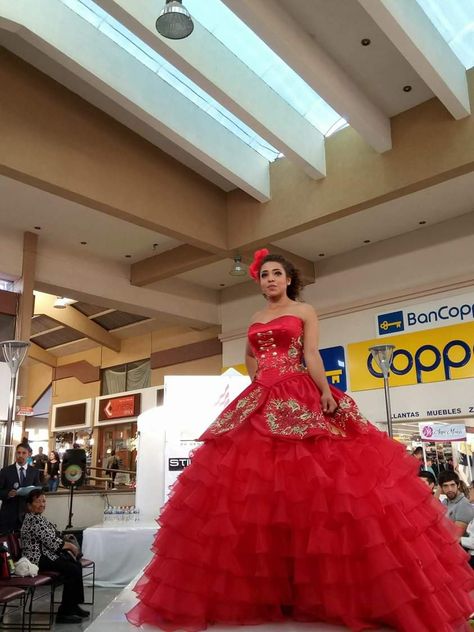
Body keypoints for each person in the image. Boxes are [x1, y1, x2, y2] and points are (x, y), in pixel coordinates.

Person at [127, 249, 474, 632]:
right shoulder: (255, 318)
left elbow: (311, 353)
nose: (270, 280)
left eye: (277, 274)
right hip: (261, 396)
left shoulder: (305, 311)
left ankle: (329, 592)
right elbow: (249, 355)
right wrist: (259, 381)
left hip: (299, 392)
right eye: (264, 275)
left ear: (289, 279)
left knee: (318, 484)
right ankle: (266, 589)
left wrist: (324, 391)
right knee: (256, 493)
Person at [20, 489, 88, 624]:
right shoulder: (33, 520)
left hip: (47, 554)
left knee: (76, 565)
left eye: (43, 501)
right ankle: (64, 613)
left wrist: (66, 541)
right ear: (29, 505)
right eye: (37, 501)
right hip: (37, 558)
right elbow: (51, 542)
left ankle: (73, 606)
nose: (42, 504)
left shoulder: (39, 518)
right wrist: (71, 547)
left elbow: (54, 535)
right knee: (71, 569)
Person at [0, 442, 41, 533]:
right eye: (18, 453)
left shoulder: (34, 472)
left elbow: (38, 490)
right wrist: (8, 494)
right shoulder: (5, 471)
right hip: (8, 516)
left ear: (29, 454)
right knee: (8, 545)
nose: (20, 455)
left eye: (24, 453)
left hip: (27, 515)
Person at [439, 470, 474, 536]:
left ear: (458, 485)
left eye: (452, 485)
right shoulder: (445, 502)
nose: (450, 489)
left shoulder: (464, 505)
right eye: (445, 486)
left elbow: (455, 536)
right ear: (441, 488)